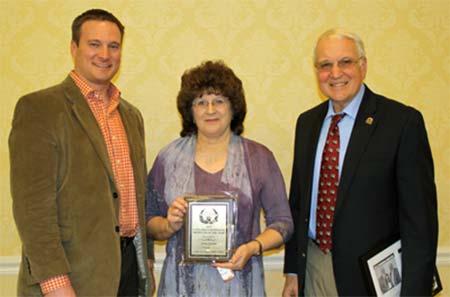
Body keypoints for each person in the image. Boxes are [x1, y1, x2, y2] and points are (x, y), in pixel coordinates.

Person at [9, 9, 154, 296]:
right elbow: (33, 210)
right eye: (94, 44)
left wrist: (145, 261)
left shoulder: (131, 116)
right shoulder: (40, 109)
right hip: (70, 279)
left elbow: (138, 196)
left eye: (114, 46)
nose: (105, 54)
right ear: (74, 48)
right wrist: (55, 284)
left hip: (127, 272)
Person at [282, 28, 438, 296]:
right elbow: (297, 204)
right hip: (315, 269)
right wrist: (294, 271)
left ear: (363, 66)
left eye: (345, 62)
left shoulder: (401, 123)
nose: (335, 73)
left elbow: (420, 223)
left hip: (372, 280)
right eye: (325, 65)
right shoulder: (306, 123)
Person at [146, 60, 293, 296]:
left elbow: (283, 223)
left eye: (219, 101)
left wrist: (253, 247)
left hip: (241, 287)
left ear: (233, 107)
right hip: (179, 288)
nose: (210, 110)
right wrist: (168, 225)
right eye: (201, 102)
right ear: (190, 110)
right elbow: (147, 221)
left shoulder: (259, 158)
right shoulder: (168, 158)